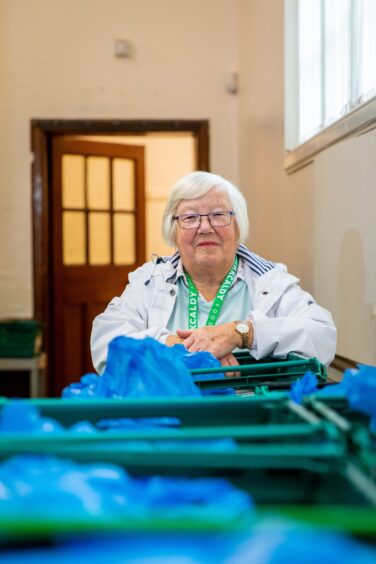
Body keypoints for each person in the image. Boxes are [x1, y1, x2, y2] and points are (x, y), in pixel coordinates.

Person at [91, 171, 336, 375]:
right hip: (166, 412)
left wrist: (242, 332)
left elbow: (322, 336)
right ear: (173, 230)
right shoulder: (150, 281)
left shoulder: (269, 280)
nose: (205, 227)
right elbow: (106, 341)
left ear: (238, 225)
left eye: (218, 215)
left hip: (250, 411)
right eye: (190, 217)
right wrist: (173, 345)